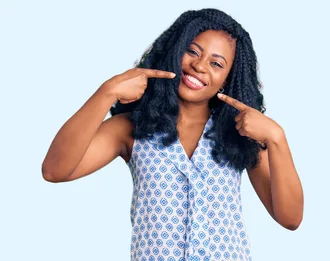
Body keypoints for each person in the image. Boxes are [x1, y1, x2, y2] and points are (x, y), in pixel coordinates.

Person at [41, 8, 304, 261]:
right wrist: (106, 92)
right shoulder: (131, 128)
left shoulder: (239, 133)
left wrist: (277, 138)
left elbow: (290, 218)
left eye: (216, 63)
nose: (200, 66)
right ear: (175, 51)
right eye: (192, 51)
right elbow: (55, 170)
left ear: (226, 78)